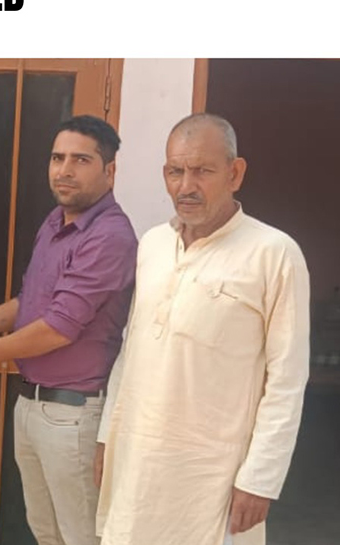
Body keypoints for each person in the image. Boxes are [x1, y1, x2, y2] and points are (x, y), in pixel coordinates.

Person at [94, 114, 310, 545]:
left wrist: (261, 478)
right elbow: (131, 351)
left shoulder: (274, 254)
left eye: (202, 171)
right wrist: (106, 440)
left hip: (212, 476)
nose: (186, 186)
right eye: (176, 171)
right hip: (138, 463)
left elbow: (287, 380)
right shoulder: (153, 245)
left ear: (235, 173)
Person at [0, 115, 137, 545]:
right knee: (47, 534)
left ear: (110, 170)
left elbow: (59, 327)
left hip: (73, 414)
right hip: (32, 406)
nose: (65, 170)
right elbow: (30, 304)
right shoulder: (56, 222)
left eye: (81, 160)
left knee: (82, 538)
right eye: (58, 158)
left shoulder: (110, 236)